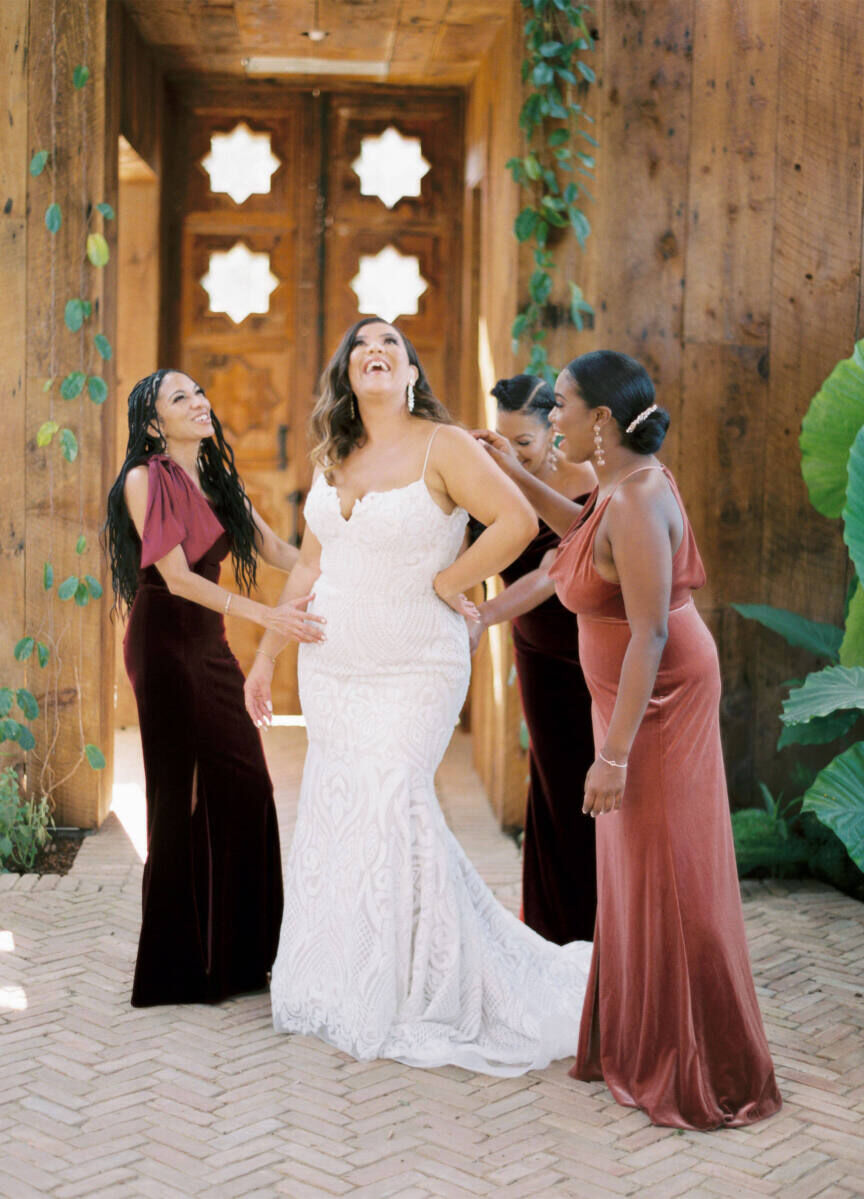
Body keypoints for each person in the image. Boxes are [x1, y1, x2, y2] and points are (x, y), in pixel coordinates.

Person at [244, 317, 592, 1074]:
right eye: (362, 343)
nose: (376, 349)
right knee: (342, 808)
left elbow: (518, 520)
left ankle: (422, 984)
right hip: (334, 670)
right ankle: (348, 976)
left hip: (415, 666)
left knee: (394, 795)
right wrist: (266, 654)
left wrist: (448, 582)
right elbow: (311, 564)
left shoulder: (445, 444)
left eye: (392, 343)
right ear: (348, 373)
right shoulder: (335, 454)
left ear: (408, 374)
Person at [475, 350, 782, 1129]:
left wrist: (610, 756)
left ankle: (699, 1060)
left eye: (565, 406)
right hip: (633, 697)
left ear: (602, 421)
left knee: (668, 870)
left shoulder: (640, 498)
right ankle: (634, 1036)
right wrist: (511, 474)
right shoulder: (614, 490)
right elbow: (580, 535)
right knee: (635, 869)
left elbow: (648, 633)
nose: (556, 420)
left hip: (661, 699)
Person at [104, 368, 324, 1008]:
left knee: (247, 783)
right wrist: (268, 617)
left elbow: (284, 552)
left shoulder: (218, 480)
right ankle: (177, 969)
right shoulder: (145, 481)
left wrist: (355, 537)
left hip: (209, 644)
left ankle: (244, 955)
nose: (199, 403)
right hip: (165, 643)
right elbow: (176, 579)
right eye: (181, 398)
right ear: (153, 423)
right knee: (179, 794)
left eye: (199, 393)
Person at [470, 375, 597, 944]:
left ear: (553, 432)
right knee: (548, 782)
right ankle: (552, 928)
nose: (511, 451)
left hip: (587, 649)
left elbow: (553, 572)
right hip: (537, 654)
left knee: (583, 785)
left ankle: (600, 927)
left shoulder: (585, 481)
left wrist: (483, 617)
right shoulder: (487, 478)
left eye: (523, 440)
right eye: (503, 438)